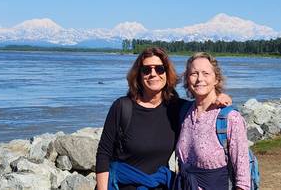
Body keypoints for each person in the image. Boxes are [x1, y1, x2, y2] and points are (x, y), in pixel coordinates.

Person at [95, 47, 232, 190]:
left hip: (161, 186)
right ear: (139, 75)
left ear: (167, 73)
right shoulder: (122, 107)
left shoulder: (177, 108)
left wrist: (220, 98)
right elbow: (104, 153)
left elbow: (202, 104)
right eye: (146, 70)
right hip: (121, 186)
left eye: (159, 69)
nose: (153, 74)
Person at [175, 52, 250, 190]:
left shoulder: (230, 118)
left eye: (206, 73)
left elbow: (243, 179)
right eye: (194, 73)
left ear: (216, 79)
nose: (199, 79)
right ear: (187, 79)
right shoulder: (184, 111)